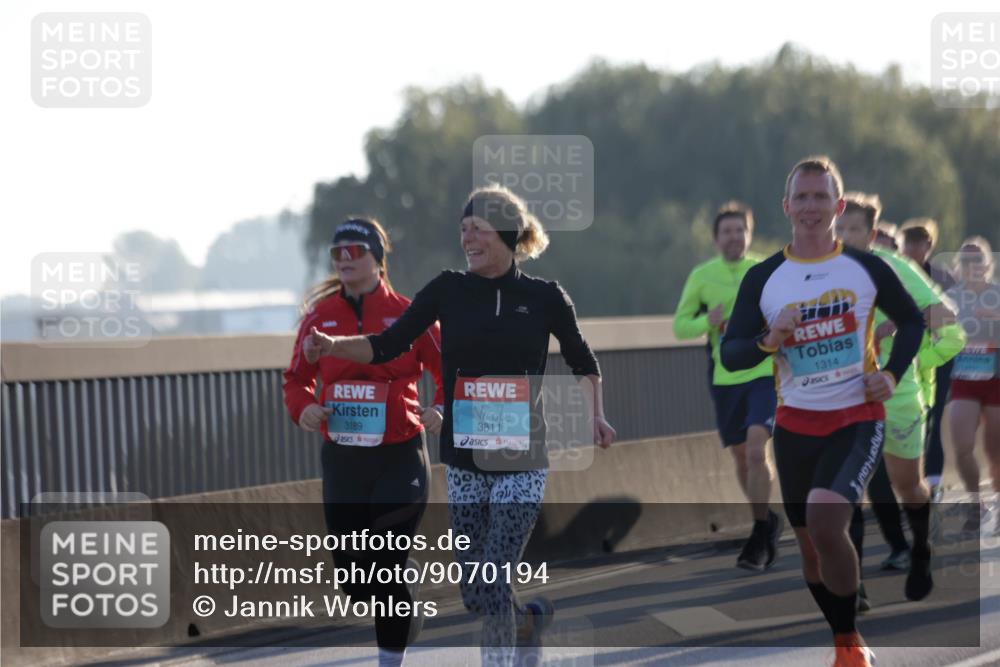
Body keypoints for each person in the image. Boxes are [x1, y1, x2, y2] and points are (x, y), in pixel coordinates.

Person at [302, 185, 616, 667]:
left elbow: (583, 360)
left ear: (507, 233)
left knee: (491, 578)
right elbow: (388, 344)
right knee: (475, 590)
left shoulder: (545, 297)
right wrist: (334, 345)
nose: (467, 237)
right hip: (465, 462)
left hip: (521, 461)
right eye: (463, 229)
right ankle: (525, 621)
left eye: (478, 229)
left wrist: (596, 414)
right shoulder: (447, 289)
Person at [721, 156, 924, 667]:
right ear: (786, 207)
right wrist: (772, 338)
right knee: (810, 547)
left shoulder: (866, 266)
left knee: (827, 520)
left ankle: (851, 642)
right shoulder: (765, 278)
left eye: (820, 197)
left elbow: (912, 323)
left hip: (857, 418)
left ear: (837, 205)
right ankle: (844, 641)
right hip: (795, 424)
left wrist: (893, 374)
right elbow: (731, 352)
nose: (811, 206)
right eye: (802, 197)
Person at [282, 218, 444, 667]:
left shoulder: (410, 314)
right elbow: (296, 379)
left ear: (378, 258)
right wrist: (305, 408)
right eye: (337, 253)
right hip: (344, 460)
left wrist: (442, 409)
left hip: (401, 453)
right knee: (357, 580)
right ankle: (405, 600)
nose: (344, 260)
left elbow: (447, 370)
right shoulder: (319, 319)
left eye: (354, 250)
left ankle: (390, 657)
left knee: (387, 562)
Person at [835, 193, 964, 605]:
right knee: (847, 491)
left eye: (852, 229)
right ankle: (852, 586)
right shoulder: (822, 272)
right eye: (838, 228)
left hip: (898, 393)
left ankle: (921, 548)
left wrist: (895, 327)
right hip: (845, 396)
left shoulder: (895, 268)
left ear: (872, 234)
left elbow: (947, 317)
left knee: (908, 486)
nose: (842, 236)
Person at [674, 201, 782, 571]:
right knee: (740, 457)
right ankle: (765, 520)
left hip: (763, 372)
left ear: (749, 234)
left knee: (756, 451)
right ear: (716, 238)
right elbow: (679, 326)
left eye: (740, 230)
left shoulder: (765, 269)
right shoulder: (703, 276)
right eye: (727, 232)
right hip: (724, 377)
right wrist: (708, 320)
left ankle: (759, 533)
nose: (734, 237)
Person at [899, 218, 957, 500]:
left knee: (932, 417)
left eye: (918, 244)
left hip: (938, 358)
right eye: (907, 243)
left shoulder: (942, 277)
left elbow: (954, 316)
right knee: (912, 419)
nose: (912, 249)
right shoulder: (895, 273)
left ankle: (932, 482)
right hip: (906, 356)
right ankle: (911, 482)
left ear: (929, 246)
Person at [944, 237, 1000, 532]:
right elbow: (931, 329)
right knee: (962, 445)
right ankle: (976, 503)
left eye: (977, 260)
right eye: (966, 261)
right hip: (964, 380)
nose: (972, 266)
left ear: (987, 265)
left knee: (995, 452)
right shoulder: (950, 297)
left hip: (995, 381)